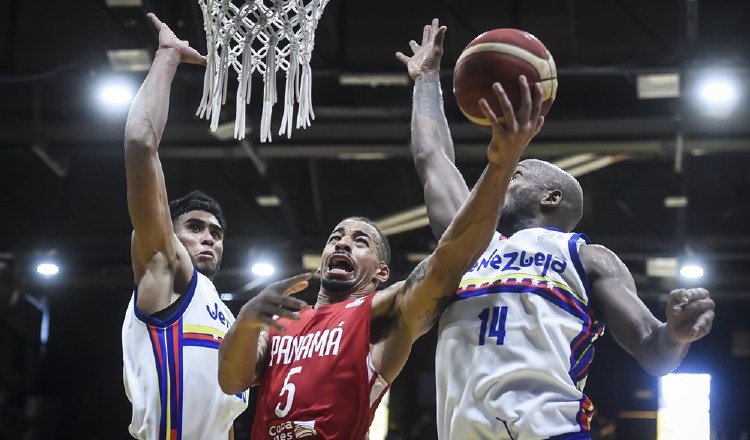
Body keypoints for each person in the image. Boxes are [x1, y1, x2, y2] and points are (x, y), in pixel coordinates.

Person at [399, 19, 716, 440]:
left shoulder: (585, 257)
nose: (499, 175)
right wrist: (425, 80)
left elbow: (651, 348)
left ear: (551, 197)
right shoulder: (468, 244)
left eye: (518, 173)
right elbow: (432, 156)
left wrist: (675, 333)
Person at [217, 44, 548, 439]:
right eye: (335, 237)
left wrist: (500, 163)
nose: (342, 244)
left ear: (381, 272)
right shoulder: (281, 324)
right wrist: (248, 317)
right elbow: (231, 382)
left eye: (360, 241)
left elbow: (448, 259)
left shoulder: (383, 314)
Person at [121, 13, 248, 440]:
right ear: (170, 233)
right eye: (195, 227)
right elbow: (141, 144)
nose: (209, 237)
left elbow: (224, 424)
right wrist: (168, 58)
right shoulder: (164, 265)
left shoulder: (225, 318)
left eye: (216, 233)